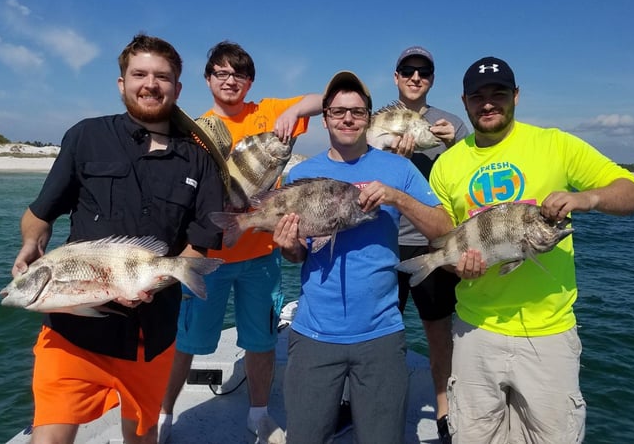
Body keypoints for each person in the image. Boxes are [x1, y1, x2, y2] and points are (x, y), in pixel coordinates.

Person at [11, 34, 225, 444]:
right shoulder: (86, 137)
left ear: (177, 88)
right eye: (139, 74)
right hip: (71, 331)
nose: (150, 84)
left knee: (141, 437)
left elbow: (199, 244)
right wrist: (30, 244)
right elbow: (40, 214)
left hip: (151, 334)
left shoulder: (200, 159)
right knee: (50, 434)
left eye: (162, 76)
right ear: (121, 83)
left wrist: (149, 282)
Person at [428, 56, 634, 443]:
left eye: (498, 93)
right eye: (478, 96)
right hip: (473, 333)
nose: (488, 103)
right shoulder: (447, 164)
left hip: (549, 335)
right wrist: (457, 267)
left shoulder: (555, 144)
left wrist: (587, 199)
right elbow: (451, 245)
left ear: (516, 96)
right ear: (464, 102)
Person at [271, 70, 454, 444]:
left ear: (368, 118)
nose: (348, 119)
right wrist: (287, 244)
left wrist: (397, 197)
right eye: (338, 112)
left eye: (356, 111)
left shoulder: (399, 168)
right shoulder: (304, 174)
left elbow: (444, 229)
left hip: (382, 335)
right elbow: (296, 256)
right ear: (325, 119)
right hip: (313, 335)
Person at [159, 41, 322, 442]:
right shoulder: (195, 130)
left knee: (261, 339)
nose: (230, 80)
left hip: (261, 254)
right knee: (187, 341)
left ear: (250, 81)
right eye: (221, 72)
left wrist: (294, 110)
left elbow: (326, 98)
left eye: (239, 74)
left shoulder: (267, 112)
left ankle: (258, 412)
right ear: (208, 78)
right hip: (207, 254)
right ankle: (164, 414)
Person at [390, 46, 469, 443]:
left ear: (432, 79)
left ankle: (444, 411)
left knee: (438, 332)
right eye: (408, 70)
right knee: (378, 334)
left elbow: (475, 172)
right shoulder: (377, 122)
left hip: (434, 243)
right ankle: (366, 404)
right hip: (385, 242)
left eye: (424, 71)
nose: (416, 77)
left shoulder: (453, 124)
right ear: (396, 76)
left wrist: (455, 144)